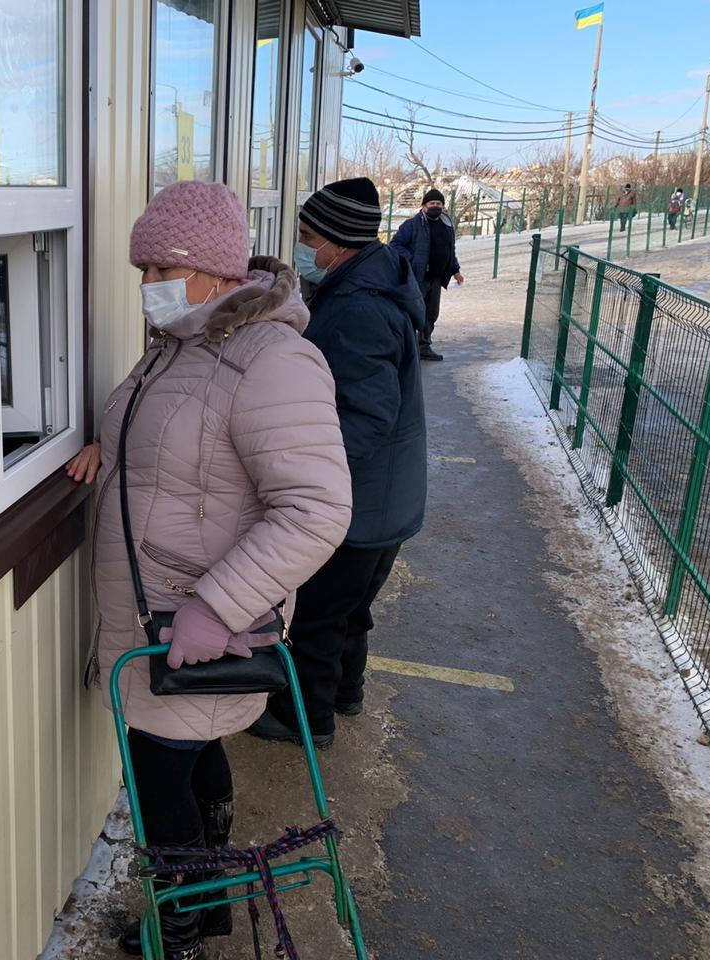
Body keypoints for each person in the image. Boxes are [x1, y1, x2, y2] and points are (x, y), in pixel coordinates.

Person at [66, 180, 352, 959]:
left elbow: (318, 509)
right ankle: (215, 902)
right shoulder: (182, 341)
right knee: (194, 754)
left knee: (162, 789)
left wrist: (218, 607)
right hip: (156, 615)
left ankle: (180, 932)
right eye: (143, 270)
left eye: (162, 268)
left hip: (188, 622)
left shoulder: (272, 360)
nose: (148, 286)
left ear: (215, 273)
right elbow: (185, 448)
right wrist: (107, 448)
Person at [248, 177, 427, 751]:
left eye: (306, 237)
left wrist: (312, 480)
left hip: (360, 506)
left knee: (319, 617)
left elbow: (364, 415)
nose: (302, 248)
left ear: (339, 242)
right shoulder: (369, 281)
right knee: (351, 610)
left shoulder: (358, 308)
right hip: (388, 501)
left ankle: (307, 721)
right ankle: (347, 692)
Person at [388, 188, 463, 362]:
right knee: (412, 312)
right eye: (432, 203)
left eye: (439, 204)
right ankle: (404, 347)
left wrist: (456, 270)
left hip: (436, 278)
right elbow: (395, 245)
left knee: (431, 314)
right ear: (424, 206)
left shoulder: (447, 225)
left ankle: (423, 346)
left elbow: (450, 251)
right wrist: (412, 260)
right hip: (417, 278)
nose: (435, 206)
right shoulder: (413, 225)